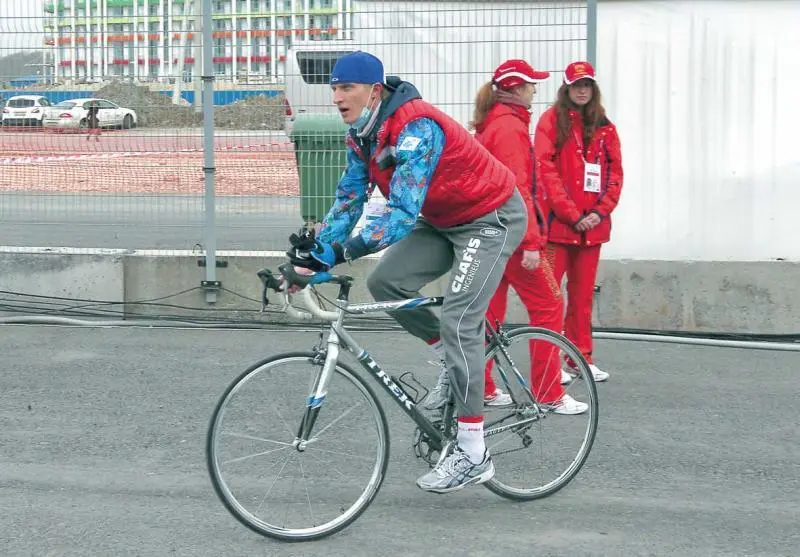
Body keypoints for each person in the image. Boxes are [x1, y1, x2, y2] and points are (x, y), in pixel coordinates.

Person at [285, 51, 528, 494]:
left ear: (374, 91)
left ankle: (473, 452)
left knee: (460, 321)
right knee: (384, 282)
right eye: (334, 89)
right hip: (442, 221)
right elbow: (348, 203)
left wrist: (339, 252)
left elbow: (399, 214)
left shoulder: (416, 126)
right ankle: (450, 365)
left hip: (491, 218)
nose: (337, 97)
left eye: (347, 88)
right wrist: (312, 258)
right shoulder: (362, 135)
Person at [468, 59, 588, 414]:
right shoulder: (509, 128)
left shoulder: (494, 123)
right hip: (513, 236)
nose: (536, 90)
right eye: (532, 84)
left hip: (490, 232)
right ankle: (549, 393)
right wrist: (531, 243)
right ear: (517, 88)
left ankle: (483, 387)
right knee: (550, 305)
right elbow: (517, 189)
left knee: (489, 312)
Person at [533, 61, 624, 383]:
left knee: (582, 299)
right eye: (576, 85)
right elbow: (545, 171)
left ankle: (580, 358)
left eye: (587, 85)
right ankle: (549, 364)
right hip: (559, 229)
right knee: (550, 299)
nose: (582, 90)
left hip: (593, 230)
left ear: (593, 88)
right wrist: (573, 214)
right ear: (566, 88)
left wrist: (600, 212)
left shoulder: (605, 126)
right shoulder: (550, 122)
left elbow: (615, 174)